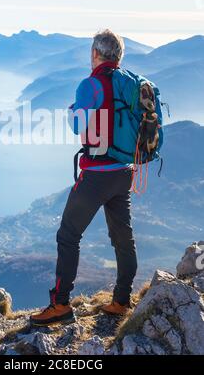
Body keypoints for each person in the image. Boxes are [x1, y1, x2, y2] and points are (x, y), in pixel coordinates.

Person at [30, 29, 137, 326]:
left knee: (68, 235)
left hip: (97, 175)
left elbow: (78, 126)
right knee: (122, 237)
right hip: (125, 172)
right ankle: (121, 300)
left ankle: (60, 305)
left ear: (95, 54)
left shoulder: (90, 84)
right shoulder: (130, 83)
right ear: (119, 56)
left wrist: (73, 111)